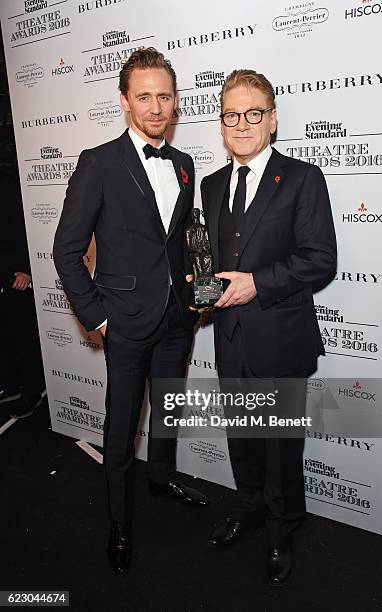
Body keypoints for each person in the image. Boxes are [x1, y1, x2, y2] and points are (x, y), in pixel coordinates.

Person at [53, 48, 208, 576]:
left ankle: (161, 480)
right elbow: (66, 251)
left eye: (164, 96)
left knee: (166, 410)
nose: (156, 107)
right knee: (121, 429)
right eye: (144, 97)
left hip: (176, 320)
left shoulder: (185, 165)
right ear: (124, 101)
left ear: (176, 101)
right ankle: (120, 522)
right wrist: (97, 317)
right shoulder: (98, 162)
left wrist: (195, 290)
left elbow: (179, 242)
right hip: (123, 321)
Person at [198, 69, 337, 586]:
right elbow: (213, 260)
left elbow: (320, 259)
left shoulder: (303, 178)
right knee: (242, 439)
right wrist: (201, 290)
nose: (241, 123)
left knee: (281, 447)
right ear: (222, 122)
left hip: (281, 341)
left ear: (272, 119)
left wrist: (258, 282)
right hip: (229, 339)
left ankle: (282, 529)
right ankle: (249, 508)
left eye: (253, 112)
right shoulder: (211, 185)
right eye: (231, 114)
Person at [0, 169, 45, 418]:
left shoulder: (6, 183)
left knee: (22, 334)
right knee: (4, 336)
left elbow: (23, 226)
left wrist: (27, 269)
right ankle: (11, 385)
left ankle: (32, 391)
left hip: (15, 275)